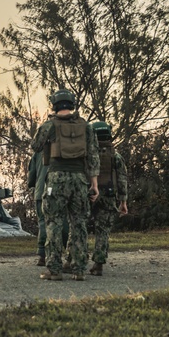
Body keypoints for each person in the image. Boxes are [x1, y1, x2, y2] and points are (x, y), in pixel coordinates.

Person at [30, 89, 100, 281]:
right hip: (80, 179)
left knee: (54, 222)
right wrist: (94, 184)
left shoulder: (49, 125)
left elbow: (35, 146)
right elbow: (93, 156)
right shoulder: (86, 127)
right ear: (72, 104)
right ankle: (79, 270)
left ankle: (54, 269)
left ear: (54, 104)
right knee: (79, 224)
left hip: (56, 179)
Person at [87, 121, 128, 276]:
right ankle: (98, 264)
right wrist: (123, 201)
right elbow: (122, 179)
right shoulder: (116, 157)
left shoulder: (88, 155)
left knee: (79, 228)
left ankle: (73, 260)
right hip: (109, 196)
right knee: (102, 231)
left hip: (89, 194)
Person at [27, 143, 69, 267]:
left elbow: (32, 175)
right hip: (62, 191)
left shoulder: (38, 152)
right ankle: (69, 254)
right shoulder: (66, 149)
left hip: (41, 192)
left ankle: (42, 255)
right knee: (65, 223)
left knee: (43, 223)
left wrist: (32, 185)